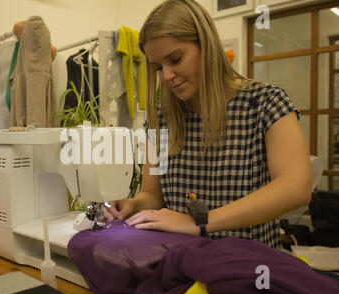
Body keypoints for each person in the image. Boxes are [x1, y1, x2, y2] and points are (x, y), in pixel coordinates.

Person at [103, 0, 312, 248]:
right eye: (158, 67)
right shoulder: (162, 118)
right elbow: (153, 195)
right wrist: (133, 205)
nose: (167, 76)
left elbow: (296, 187)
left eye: (176, 59)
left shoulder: (266, 103)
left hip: (249, 269)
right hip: (182, 264)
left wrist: (199, 222)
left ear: (207, 46)